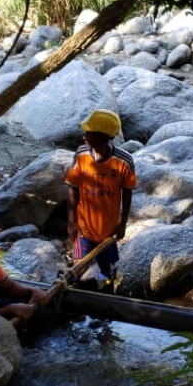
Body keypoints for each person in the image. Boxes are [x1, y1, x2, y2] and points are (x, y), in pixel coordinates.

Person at [65, 109, 137, 288]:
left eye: (89, 133)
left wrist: (122, 224)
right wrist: (71, 221)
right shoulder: (81, 154)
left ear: (104, 137)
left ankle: (105, 292)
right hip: (83, 229)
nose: (84, 136)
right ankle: (72, 297)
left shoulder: (123, 161)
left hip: (108, 231)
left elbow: (127, 192)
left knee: (107, 270)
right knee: (78, 267)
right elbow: (73, 188)